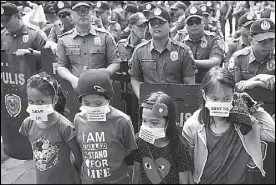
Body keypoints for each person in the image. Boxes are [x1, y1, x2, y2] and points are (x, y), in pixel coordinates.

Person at [182, 66, 275, 184]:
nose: (220, 103)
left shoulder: (244, 121)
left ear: (234, 95)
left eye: (226, 99)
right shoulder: (193, 125)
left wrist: (253, 106)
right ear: (204, 95)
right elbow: (185, 165)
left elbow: (272, 133)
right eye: (215, 99)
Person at [74, 69, 137, 184]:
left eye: (98, 103)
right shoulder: (79, 119)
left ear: (108, 99)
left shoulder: (122, 121)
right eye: (87, 103)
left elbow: (130, 153)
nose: (92, 107)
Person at [19, 71, 83, 184]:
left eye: (40, 102)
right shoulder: (28, 124)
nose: (35, 106)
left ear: (55, 100)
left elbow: (78, 157)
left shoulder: (65, 127)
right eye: (31, 102)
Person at [131, 6, 198, 99]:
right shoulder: (139, 51)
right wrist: (141, 97)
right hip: (149, 105)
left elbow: (190, 84)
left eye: (160, 22)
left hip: (177, 103)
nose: (156, 26)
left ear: (170, 25)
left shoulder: (183, 51)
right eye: (152, 23)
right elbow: (135, 78)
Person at [56, 1, 121, 90]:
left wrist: (105, 73)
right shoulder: (64, 39)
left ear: (92, 13)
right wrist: (72, 79)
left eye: (86, 10)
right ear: (72, 14)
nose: (82, 14)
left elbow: (115, 63)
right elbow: (61, 66)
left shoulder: (105, 37)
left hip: (101, 88)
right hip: (76, 88)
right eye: (78, 11)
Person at [132, 91, 193, 184]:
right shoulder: (139, 141)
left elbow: (184, 181)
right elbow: (136, 174)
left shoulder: (179, 146)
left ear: (168, 122)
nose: (148, 127)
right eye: (144, 121)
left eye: (154, 123)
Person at [173, 5, 224, 83]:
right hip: (183, 83)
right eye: (190, 22)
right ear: (185, 24)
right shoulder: (179, 38)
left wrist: (190, 62)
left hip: (207, 83)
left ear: (203, 22)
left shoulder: (213, 38)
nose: (194, 25)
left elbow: (215, 62)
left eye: (197, 21)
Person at [228, 18, 275, 92]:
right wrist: (258, 77)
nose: (267, 45)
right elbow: (231, 88)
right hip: (246, 101)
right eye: (261, 40)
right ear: (250, 40)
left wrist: (256, 83)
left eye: (271, 40)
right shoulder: (239, 57)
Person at [1, 2, 46, 69]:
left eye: (7, 20)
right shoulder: (2, 34)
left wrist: (31, 53)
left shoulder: (35, 34)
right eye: (1, 21)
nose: (4, 24)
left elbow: (47, 58)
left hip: (32, 76)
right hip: (9, 77)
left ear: (18, 17)